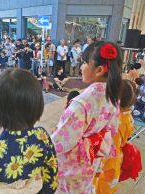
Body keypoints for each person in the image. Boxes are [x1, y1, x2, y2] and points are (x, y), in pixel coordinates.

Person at [51, 41, 123, 194]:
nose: (82, 66)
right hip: (92, 160)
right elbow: (113, 129)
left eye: (84, 63)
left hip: (72, 168)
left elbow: (59, 143)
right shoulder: (113, 97)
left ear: (99, 70)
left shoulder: (81, 104)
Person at [93, 80, 136, 194]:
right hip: (116, 159)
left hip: (106, 161)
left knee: (98, 187)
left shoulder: (114, 120)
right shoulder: (128, 117)